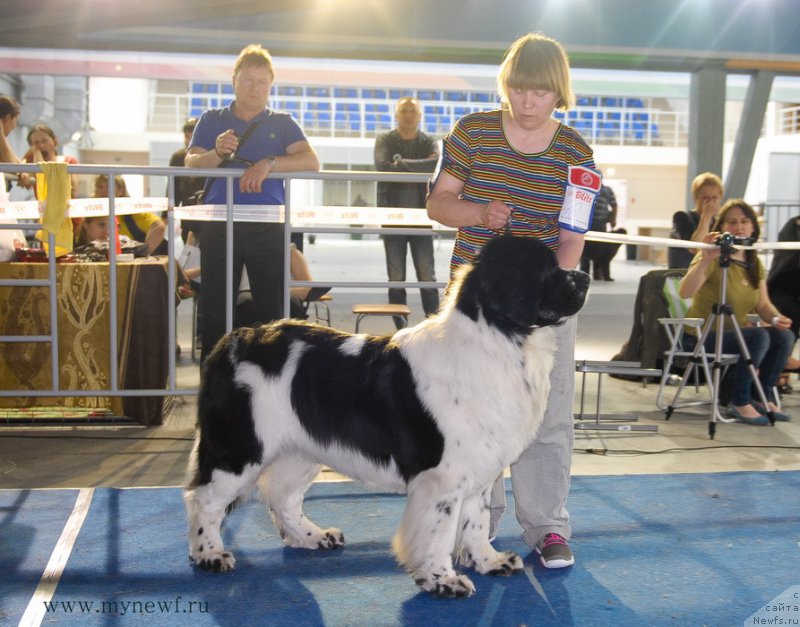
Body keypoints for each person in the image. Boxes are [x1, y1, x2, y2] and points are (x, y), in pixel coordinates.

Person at [427, 32, 595, 569]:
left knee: (546, 419)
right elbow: (438, 204)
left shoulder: (576, 152)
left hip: (541, 312)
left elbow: (572, 237)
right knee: (470, 419)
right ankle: (479, 527)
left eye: (540, 94)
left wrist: (549, 296)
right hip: (474, 312)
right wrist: (479, 214)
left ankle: (547, 527)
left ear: (558, 95)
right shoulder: (472, 132)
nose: (528, 103)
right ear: (506, 86)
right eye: (519, 90)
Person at [185, 43, 320, 361]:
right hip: (220, 222)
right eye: (248, 80)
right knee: (216, 309)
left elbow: (311, 160)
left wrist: (269, 163)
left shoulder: (283, 122)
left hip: (267, 223)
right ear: (234, 80)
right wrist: (216, 153)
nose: (255, 88)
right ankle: (215, 388)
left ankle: (272, 385)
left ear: (271, 86)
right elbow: (191, 163)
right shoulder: (211, 119)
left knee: (273, 311)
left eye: (262, 82)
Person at [679, 199, 794, 424]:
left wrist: (775, 317)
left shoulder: (755, 262)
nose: (739, 227)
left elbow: (763, 305)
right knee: (758, 336)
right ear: (721, 227)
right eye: (731, 222)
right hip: (701, 337)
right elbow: (685, 291)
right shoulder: (711, 255)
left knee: (783, 336)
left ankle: (761, 394)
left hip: (737, 335)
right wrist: (704, 260)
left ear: (753, 227)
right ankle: (738, 400)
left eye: (744, 221)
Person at [375, 97, 440, 328]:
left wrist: (401, 164)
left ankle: (433, 329)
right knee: (395, 278)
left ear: (420, 116)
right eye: (404, 111)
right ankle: (400, 330)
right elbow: (382, 166)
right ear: (396, 115)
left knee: (427, 277)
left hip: (422, 218)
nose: (409, 115)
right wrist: (419, 164)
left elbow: (436, 165)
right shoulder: (385, 140)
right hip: (391, 218)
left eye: (413, 111)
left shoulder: (429, 141)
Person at [93, 174, 167, 255]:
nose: (103, 191)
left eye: (108, 186)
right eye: (100, 187)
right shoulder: (89, 214)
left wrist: (143, 254)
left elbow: (159, 226)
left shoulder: (131, 211)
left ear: (121, 191)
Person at [668, 172, 723, 269]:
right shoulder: (682, 218)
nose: (710, 202)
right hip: (684, 274)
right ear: (695, 198)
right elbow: (694, 247)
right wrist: (706, 216)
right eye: (705, 198)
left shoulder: (720, 223)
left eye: (714, 198)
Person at [579, 174, 623, 281]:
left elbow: (614, 205)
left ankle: (596, 275)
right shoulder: (586, 189)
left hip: (600, 224)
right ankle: (584, 275)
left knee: (598, 252)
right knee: (586, 251)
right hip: (587, 224)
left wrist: (613, 220)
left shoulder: (607, 190)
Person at [170, 117, 207, 244]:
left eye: (193, 138)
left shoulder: (213, 156)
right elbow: (173, 190)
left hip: (209, 214)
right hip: (187, 215)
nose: (189, 142)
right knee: (190, 258)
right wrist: (166, 216)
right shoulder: (178, 158)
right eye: (186, 137)